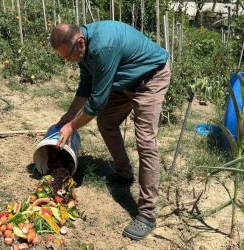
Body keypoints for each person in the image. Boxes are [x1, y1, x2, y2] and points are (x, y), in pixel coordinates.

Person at [49, 20, 170, 240]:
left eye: (67, 56)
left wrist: (71, 127)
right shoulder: (82, 49)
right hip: (124, 78)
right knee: (106, 121)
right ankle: (124, 174)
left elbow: (95, 103)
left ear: (80, 42)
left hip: (149, 78)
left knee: (145, 142)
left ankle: (147, 214)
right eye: (63, 58)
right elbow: (87, 83)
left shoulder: (103, 48)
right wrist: (69, 115)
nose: (67, 61)